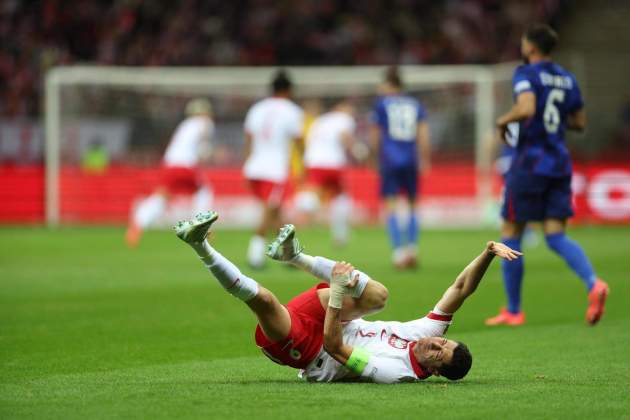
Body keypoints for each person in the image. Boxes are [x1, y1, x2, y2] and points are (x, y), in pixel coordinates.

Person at [174, 210, 522, 383]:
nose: (435, 345)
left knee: (263, 300)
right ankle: (294, 256)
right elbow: (460, 291)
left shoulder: (396, 373)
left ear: (433, 371)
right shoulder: (425, 336)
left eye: (438, 353)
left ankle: (199, 244)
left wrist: (338, 292)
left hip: (312, 353)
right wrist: (488, 252)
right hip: (335, 316)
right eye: (444, 343)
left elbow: (335, 348)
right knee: (379, 296)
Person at [487, 24, 609, 327]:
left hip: (529, 164)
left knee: (511, 234)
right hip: (559, 162)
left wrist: (504, 119)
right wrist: (552, 122)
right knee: (556, 236)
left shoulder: (526, 73)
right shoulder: (568, 79)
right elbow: (579, 122)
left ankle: (514, 310)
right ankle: (593, 283)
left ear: (530, 47)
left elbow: (526, 108)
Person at [125, 98, 214, 247]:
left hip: (170, 164)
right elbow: (203, 148)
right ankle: (200, 226)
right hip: (186, 165)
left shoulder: (185, 125)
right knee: (204, 191)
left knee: (162, 196)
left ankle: (139, 222)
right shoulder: (204, 123)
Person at [370, 66, 431, 269]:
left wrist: (374, 157)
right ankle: (412, 249)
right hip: (411, 159)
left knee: (391, 204)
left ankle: (398, 253)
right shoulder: (415, 104)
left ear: (389, 84)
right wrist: (424, 158)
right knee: (413, 204)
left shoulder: (382, 104)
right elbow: (423, 133)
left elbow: (376, 134)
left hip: (389, 159)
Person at [242, 69, 304, 269]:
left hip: (254, 167)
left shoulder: (257, 108)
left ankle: (290, 255)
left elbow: (249, 139)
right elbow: (299, 140)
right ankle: (255, 254)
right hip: (274, 169)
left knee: (275, 212)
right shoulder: (291, 110)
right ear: (289, 90)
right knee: (269, 212)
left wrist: (246, 164)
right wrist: (303, 164)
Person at [295, 99, 357, 246]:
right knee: (340, 197)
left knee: (312, 196)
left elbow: (309, 142)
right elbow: (344, 136)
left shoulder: (320, 121)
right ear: (341, 107)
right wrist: (357, 151)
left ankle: (296, 229)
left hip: (313, 162)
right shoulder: (344, 119)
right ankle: (340, 235)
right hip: (333, 162)